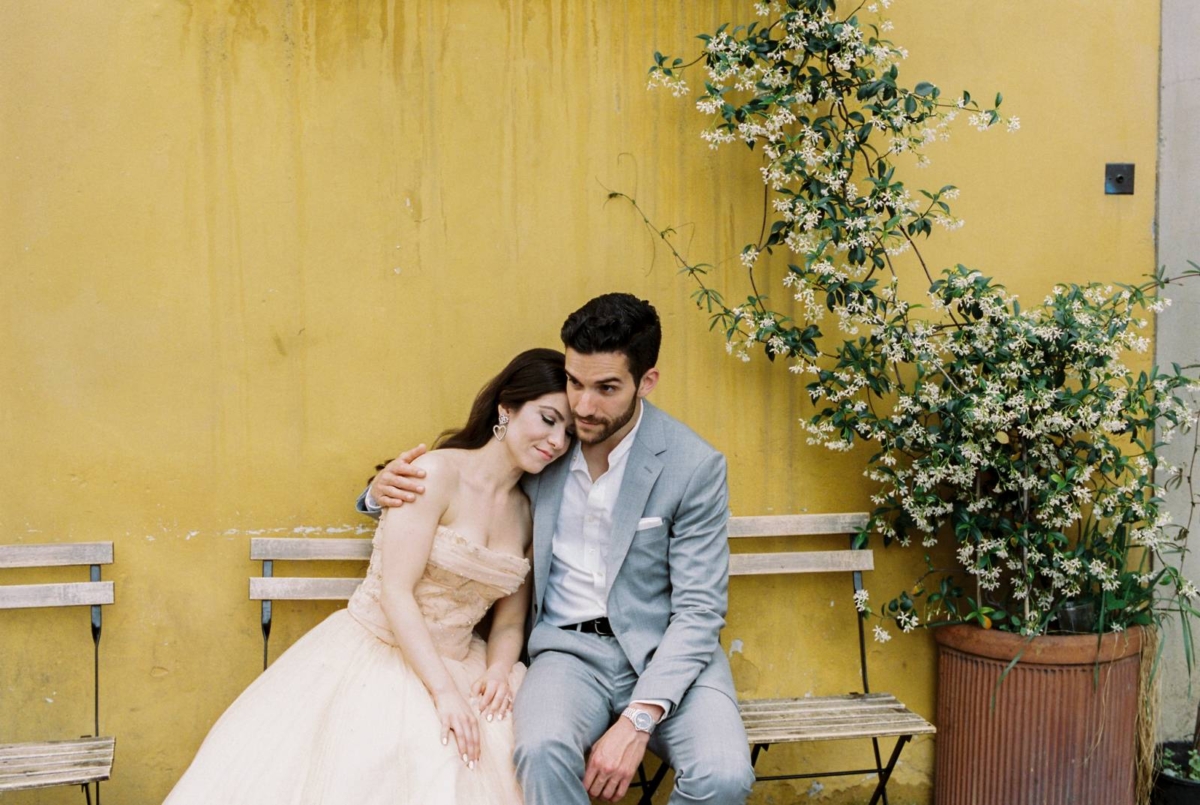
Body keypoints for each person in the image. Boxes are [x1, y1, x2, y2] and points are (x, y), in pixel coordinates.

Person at [364, 294, 755, 805]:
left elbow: (700, 609)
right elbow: (469, 490)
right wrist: (376, 494)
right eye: (575, 382)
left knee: (724, 777)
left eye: (607, 388)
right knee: (541, 750)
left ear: (648, 381)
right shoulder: (546, 448)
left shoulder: (693, 465)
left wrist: (638, 720)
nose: (584, 406)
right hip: (567, 654)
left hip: (667, 654)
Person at [164, 348, 573, 805]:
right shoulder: (433, 473)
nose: (557, 440)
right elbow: (396, 593)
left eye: (568, 432)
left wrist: (498, 671)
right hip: (383, 649)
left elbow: (511, 621)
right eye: (548, 419)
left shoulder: (528, 511)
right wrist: (443, 693)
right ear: (507, 407)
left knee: (504, 745)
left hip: (465, 660)